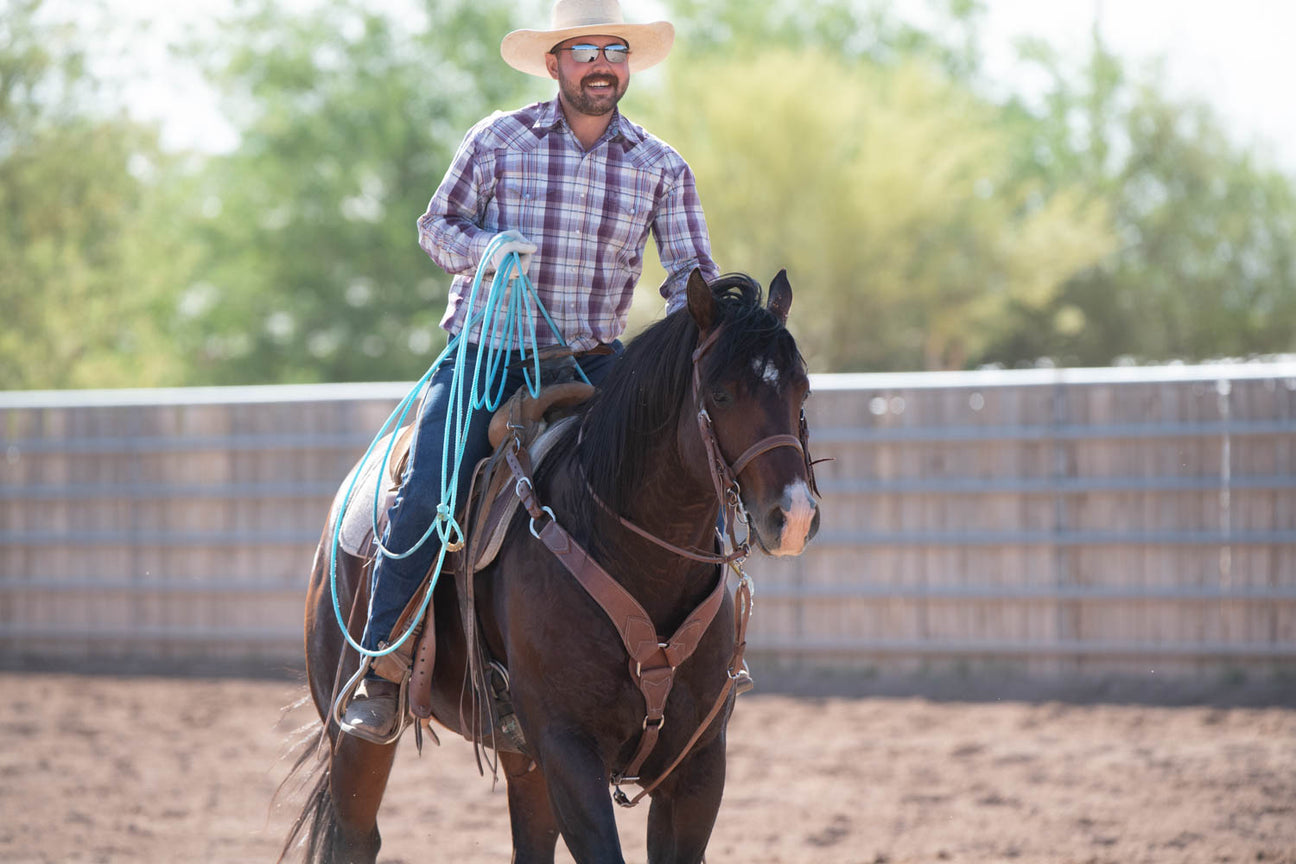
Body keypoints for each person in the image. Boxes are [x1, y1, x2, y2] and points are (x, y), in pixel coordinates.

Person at [341, 0, 720, 741]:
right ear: (555, 64)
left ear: (628, 64)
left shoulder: (660, 166)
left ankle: (672, 668)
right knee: (427, 490)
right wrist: (484, 250)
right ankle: (381, 669)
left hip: (595, 361)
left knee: (669, 485)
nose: (602, 63)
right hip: (487, 356)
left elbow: (689, 275)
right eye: (585, 51)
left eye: (615, 49)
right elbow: (436, 225)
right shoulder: (498, 139)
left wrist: (707, 323)